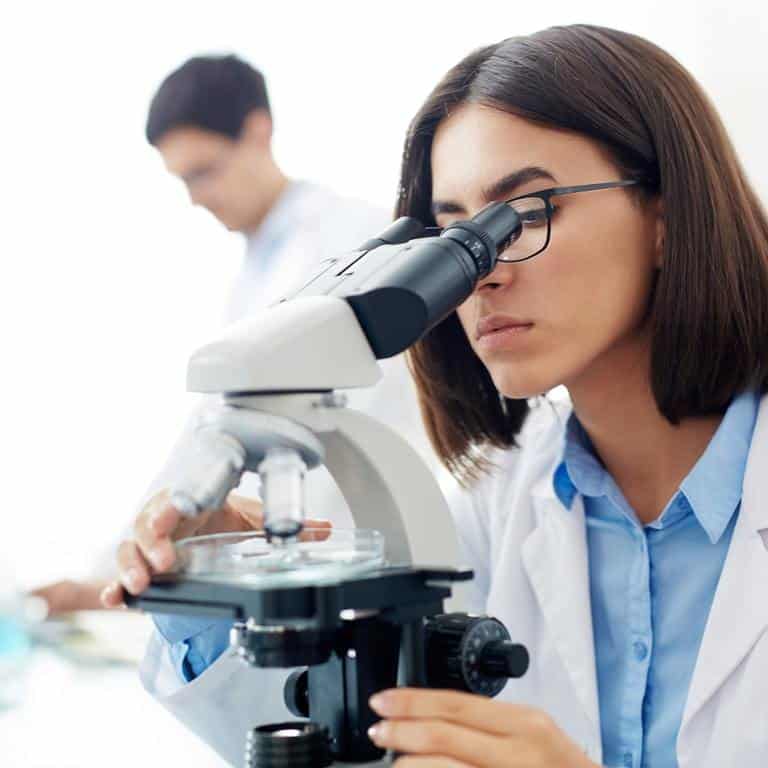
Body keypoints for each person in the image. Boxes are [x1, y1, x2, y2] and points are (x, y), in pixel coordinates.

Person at [105, 26, 768, 768]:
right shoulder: (502, 506)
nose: (481, 274)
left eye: (528, 212)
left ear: (666, 219)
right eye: (455, 233)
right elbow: (355, 738)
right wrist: (200, 584)